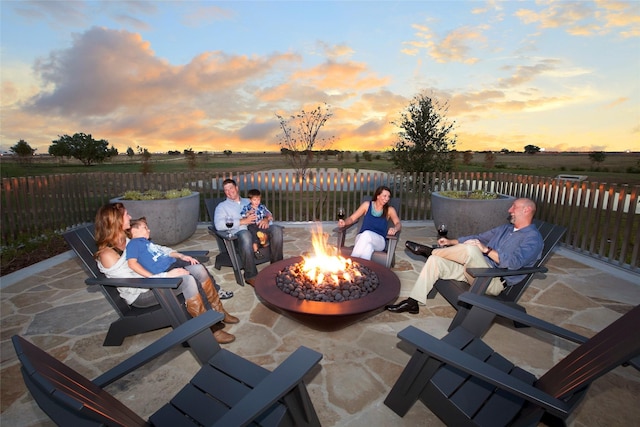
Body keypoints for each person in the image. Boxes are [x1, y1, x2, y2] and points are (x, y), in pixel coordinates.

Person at [93, 203, 236, 344]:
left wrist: (179, 255)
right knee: (187, 280)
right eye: (126, 215)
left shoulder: (127, 239)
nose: (130, 217)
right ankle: (209, 328)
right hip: (141, 293)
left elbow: (155, 250)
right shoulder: (108, 254)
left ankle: (218, 312)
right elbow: (130, 280)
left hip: (155, 281)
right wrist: (166, 276)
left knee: (198, 269)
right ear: (116, 220)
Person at [387, 198, 543, 314]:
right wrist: (450, 241)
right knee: (437, 260)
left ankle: (429, 251)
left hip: (492, 280)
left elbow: (513, 263)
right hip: (473, 271)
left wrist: (486, 250)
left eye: (514, 207)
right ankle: (413, 302)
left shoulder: (532, 239)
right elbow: (480, 236)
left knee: (472, 249)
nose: (510, 210)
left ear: (526, 210)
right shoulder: (505, 229)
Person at [214, 179, 284, 286]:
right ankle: (251, 276)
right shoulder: (222, 207)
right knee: (245, 234)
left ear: (236, 188)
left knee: (277, 230)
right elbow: (218, 225)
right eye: (226, 190)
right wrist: (242, 221)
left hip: (259, 233)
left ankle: (277, 268)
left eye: (231, 188)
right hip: (239, 239)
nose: (229, 191)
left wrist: (266, 219)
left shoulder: (249, 200)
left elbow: (267, 212)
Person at [338, 185, 401, 261]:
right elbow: (352, 218)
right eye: (384, 196)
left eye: (388, 196)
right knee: (368, 247)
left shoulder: (390, 210)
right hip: (361, 238)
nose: (387, 198)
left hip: (379, 241)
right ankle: (361, 270)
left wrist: (395, 229)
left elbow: (398, 223)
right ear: (378, 196)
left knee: (367, 234)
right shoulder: (367, 205)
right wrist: (344, 222)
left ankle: (351, 261)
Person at [239, 189, 273, 259]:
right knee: (253, 234)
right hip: (252, 224)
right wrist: (247, 213)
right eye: (254, 200)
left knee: (264, 231)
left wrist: (269, 217)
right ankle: (256, 251)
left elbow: (268, 213)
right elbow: (242, 215)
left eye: (258, 200)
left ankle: (264, 242)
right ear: (250, 200)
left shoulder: (262, 207)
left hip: (260, 223)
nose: (257, 202)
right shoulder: (247, 207)